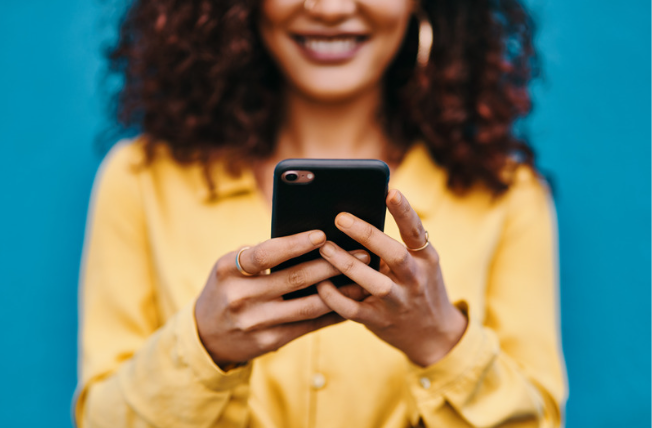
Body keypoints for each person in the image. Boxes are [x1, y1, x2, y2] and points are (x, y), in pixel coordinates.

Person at [74, 0, 567, 427]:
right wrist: (203, 349)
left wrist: (441, 342)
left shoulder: (507, 195)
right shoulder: (139, 179)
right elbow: (101, 420)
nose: (330, 9)